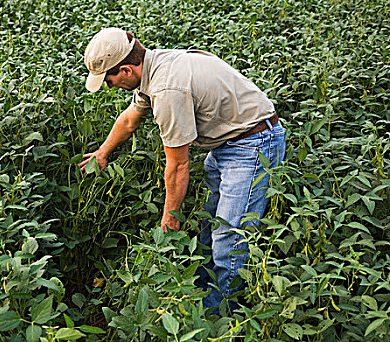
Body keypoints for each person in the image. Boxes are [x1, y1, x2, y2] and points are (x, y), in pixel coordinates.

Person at [79, 27, 286, 314]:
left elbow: (177, 165)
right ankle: (199, 299)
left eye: (110, 80)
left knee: (230, 238)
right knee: (209, 228)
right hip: (227, 142)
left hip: (253, 143)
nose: (110, 86)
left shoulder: (166, 89)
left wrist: (170, 219)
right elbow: (129, 120)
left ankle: (219, 319)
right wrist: (102, 153)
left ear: (126, 70)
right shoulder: (154, 67)